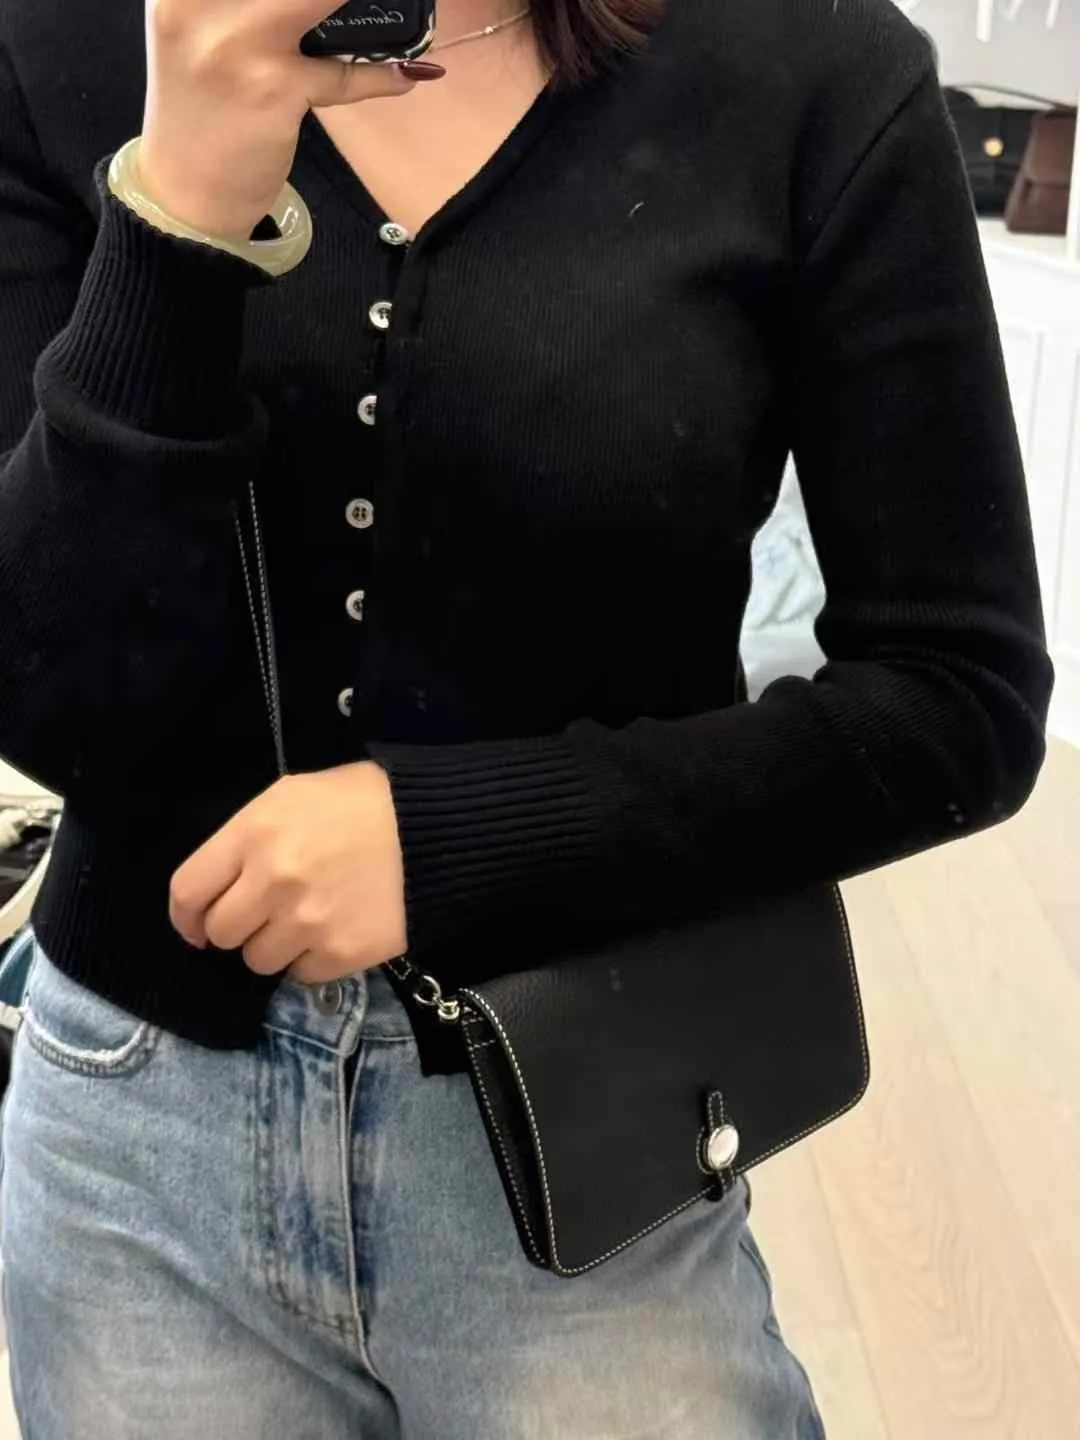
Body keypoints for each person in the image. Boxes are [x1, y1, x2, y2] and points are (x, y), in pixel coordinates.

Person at [0, 0, 1053, 1433]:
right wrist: (179, 212)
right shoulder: (56, 46)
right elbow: (40, 691)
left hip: (587, 1126)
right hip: (135, 1146)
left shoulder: (814, 71)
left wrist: (450, 840)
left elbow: (958, 696)